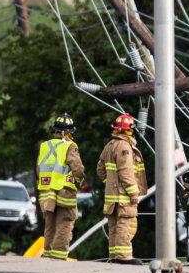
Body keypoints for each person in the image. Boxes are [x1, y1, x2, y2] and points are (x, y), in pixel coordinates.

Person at [96, 113, 146, 264]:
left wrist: (111, 183)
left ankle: (114, 257)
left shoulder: (109, 145)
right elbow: (126, 172)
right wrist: (133, 192)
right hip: (124, 197)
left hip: (112, 197)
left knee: (114, 227)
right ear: (130, 130)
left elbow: (100, 169)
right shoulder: (124, 146)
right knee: (126, 225)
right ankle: (124, 257)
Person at [36, 113, 84, 260]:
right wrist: (79, 181)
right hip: (64, 192)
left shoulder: (44, 145)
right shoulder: (70, 145)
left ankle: (48, 255)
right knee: (65, 223)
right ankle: (58, 258)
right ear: (66, 133)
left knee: (50, 225)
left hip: (46, 193)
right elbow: (77, 168)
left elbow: (39, 169)